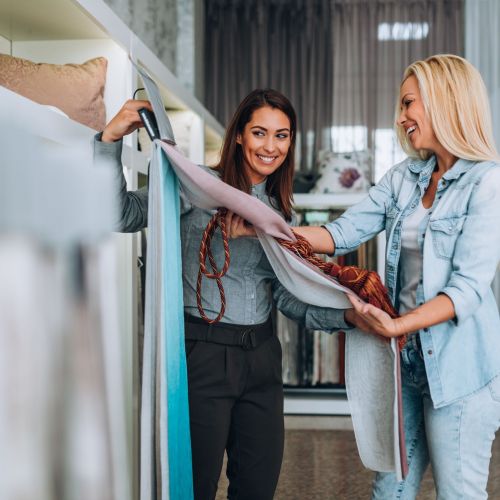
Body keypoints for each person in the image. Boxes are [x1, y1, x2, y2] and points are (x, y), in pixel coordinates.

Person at [94, 89, 349, 500]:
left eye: (282, 136)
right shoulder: (193, 187)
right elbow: (118, 214)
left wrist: (348, 316)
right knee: (193, 488)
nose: (270, 146)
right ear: (238, 136)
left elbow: (286, 298)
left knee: (256, 489)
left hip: (263, 361)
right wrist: (110, 140)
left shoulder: (285, 215)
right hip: (203, 358)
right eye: (260, 133)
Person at [293, 54, 500, 498]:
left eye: (409, 103)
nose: (401, 116)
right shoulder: (403, 179)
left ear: (445, 100)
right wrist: (267, 228)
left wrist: (396, 326)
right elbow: (342, 231)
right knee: (390, 492)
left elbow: (466, 290)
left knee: (458, 494)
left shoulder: (487, 183)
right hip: (405, 363)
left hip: (460, 369)